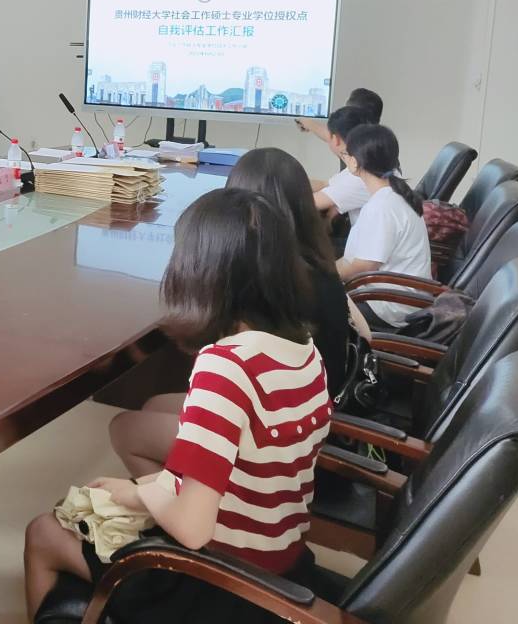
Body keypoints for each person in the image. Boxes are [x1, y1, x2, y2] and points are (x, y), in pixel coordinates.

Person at [24, 188, 330, 623]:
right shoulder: (304, 347)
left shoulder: (226, 366)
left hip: (221, 585)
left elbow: (192, 528)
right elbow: (246, 471)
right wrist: (153, 489)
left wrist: (137, 492)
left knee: (42, 533)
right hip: (283, 564)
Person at [106, 148, 357, 480]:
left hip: (274, 432)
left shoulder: (266, 285)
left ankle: (198, 494)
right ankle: (182, 486)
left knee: (124, 428)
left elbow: (229, 367)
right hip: (306, 408)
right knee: (154, 405)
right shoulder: (314, 263)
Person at [336, 124, 432, 331]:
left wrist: (323, 276)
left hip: (389, 305)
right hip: (389, 295)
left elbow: (363, 266)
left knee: (310, 305)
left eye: (346, 154)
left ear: (354, 162)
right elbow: (355, 260)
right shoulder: (392, 195)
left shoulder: (382, 207)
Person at [311, 104, 378, 222]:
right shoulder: (367, 161)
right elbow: (325, 184)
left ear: (335, 139)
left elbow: (308, 204)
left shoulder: (358, 176)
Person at [296, 86, 383, 143]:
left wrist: (307, 123)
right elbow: (329, 136)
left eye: (346, 113)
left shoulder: (353, 147)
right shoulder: (381, 141)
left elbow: (331, 138)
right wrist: (307, 122)